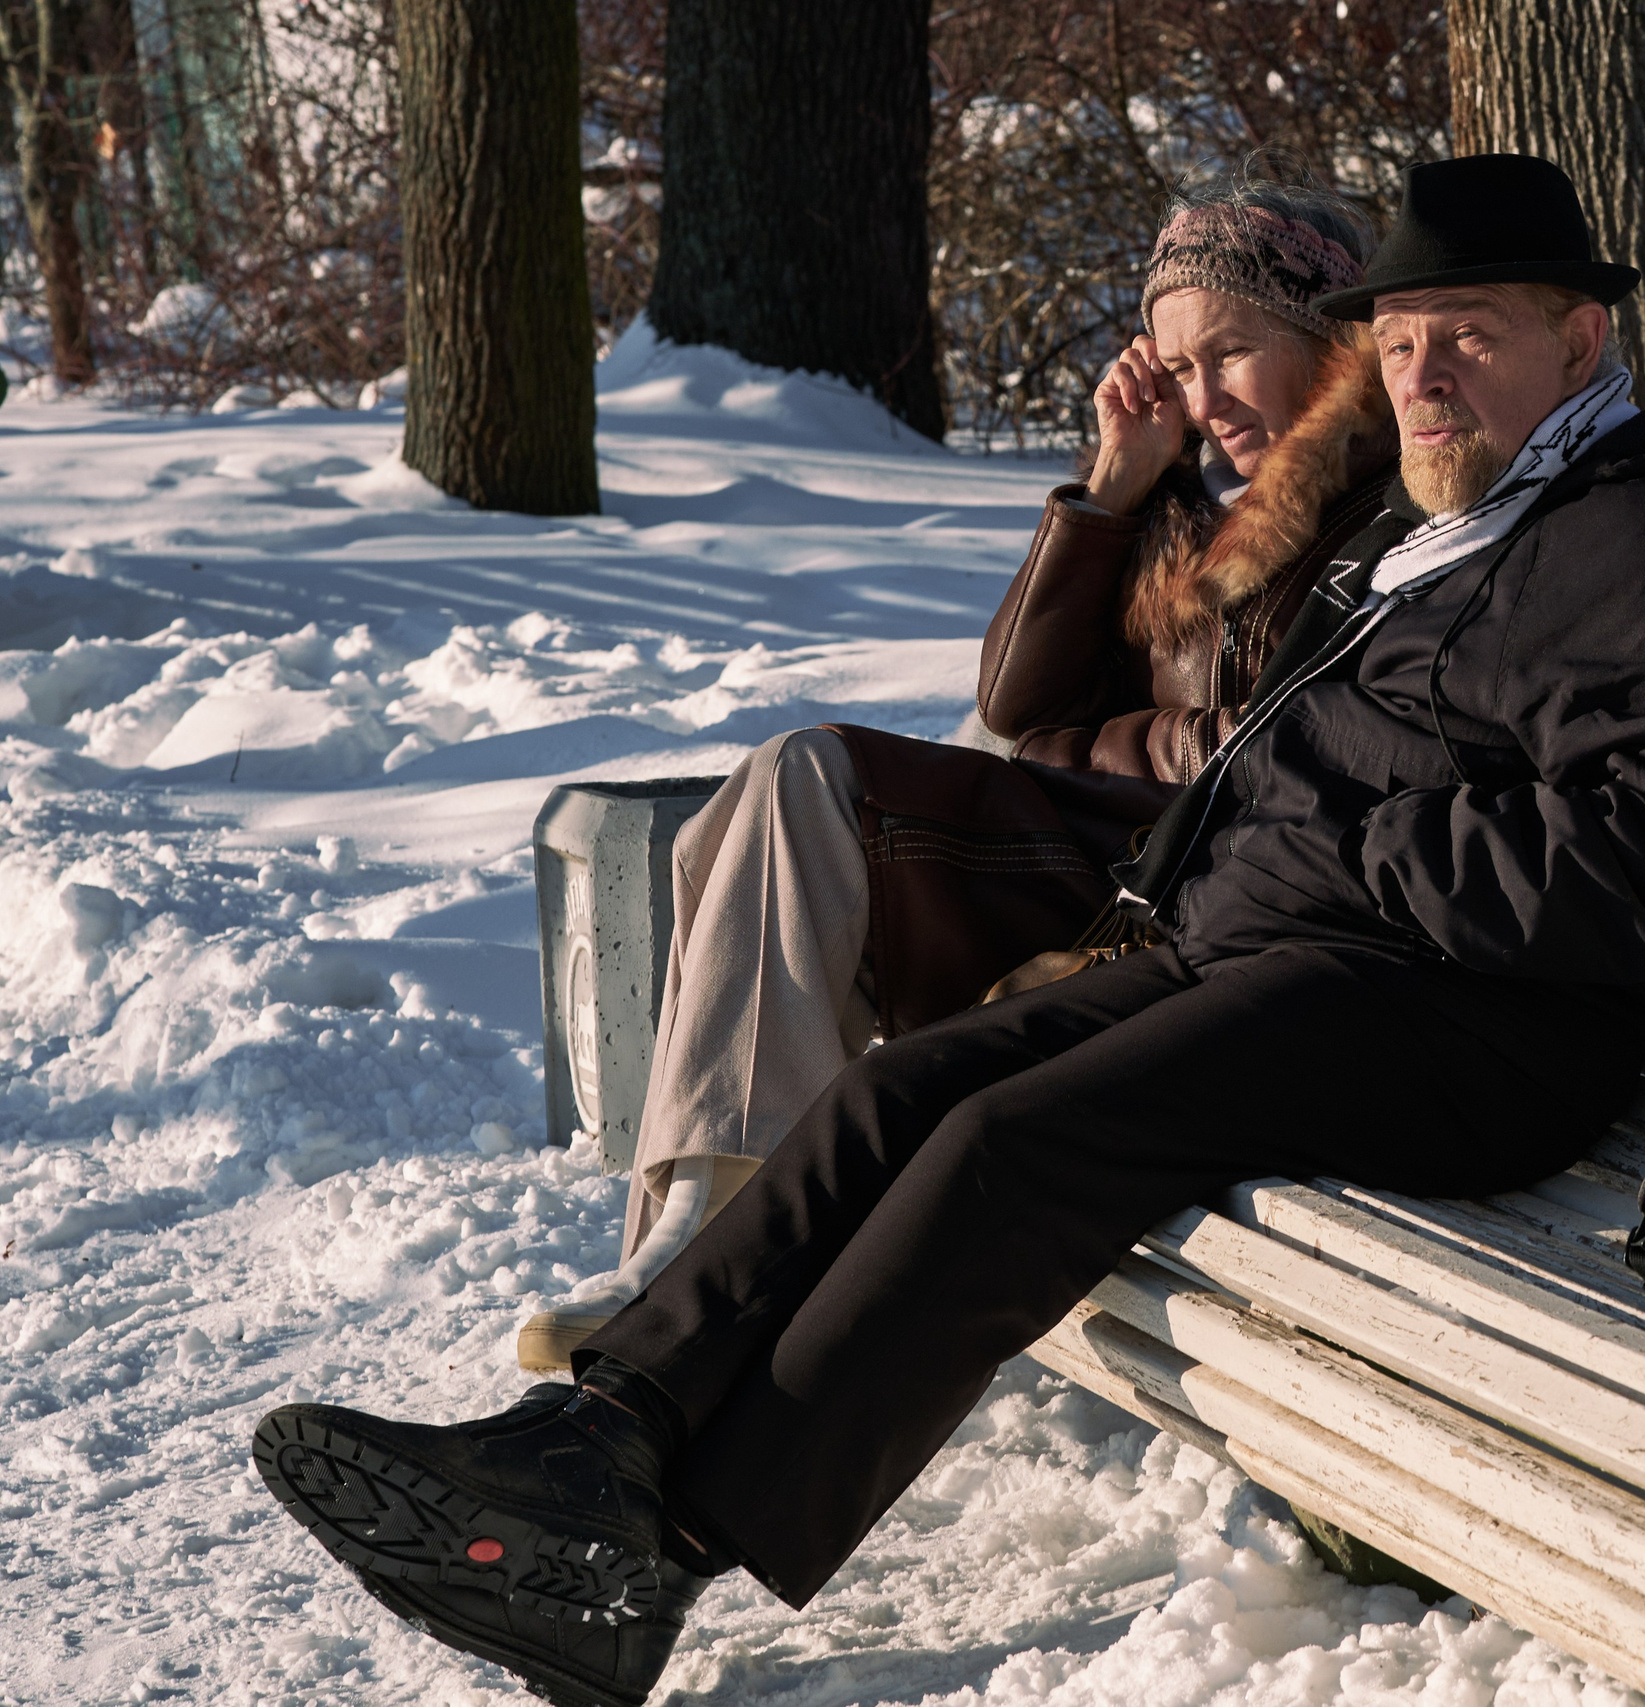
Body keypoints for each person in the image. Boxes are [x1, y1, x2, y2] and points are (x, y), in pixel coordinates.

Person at [252, 153, 1645, 1707]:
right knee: (900, 1089)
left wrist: (1351, 845)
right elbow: (1134, 720)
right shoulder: (1466, 522)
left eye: (1470, 332)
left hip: (1484, 1024)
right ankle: (587, 1440)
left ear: (1583, 340)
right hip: (1307, 957)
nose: (1424, 374)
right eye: (1405, 337)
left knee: (1018, 1147)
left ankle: (643, 1554)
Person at [517, 178, 1396, 1372]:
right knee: (760, 809)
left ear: (1325, 331)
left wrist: (1099, 748)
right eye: (1177, 368)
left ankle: (696, 1266)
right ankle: (692, 1235)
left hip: (1194, 908)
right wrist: (1111, 489)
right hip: (1108, 864)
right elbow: (1017, 707)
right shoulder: (1178, 507)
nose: (1203, 398)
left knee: (801, 790)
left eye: (1231, 353)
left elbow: (1279, 743)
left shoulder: (1383, 511)